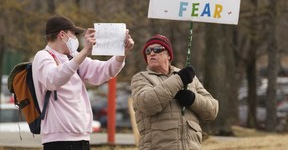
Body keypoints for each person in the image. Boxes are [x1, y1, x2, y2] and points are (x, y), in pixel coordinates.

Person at [32, 15, 134, 150]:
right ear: (62, 35)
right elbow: (54, 80)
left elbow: (102, 71)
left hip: (82, 137)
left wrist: (122, 54)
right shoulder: (43, 56)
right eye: (73, 34)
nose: (75, 39)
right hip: (58, 139)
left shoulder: (73, 57)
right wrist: (85, 52)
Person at [131, 34, 219, 150]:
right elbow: (148, 104)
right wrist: (179, 80)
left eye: (157, 49)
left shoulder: (188, 77)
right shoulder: (141, 78)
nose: (152, 53)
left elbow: (212, 111)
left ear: (168, 55)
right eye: (148, 51)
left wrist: (193, 99)